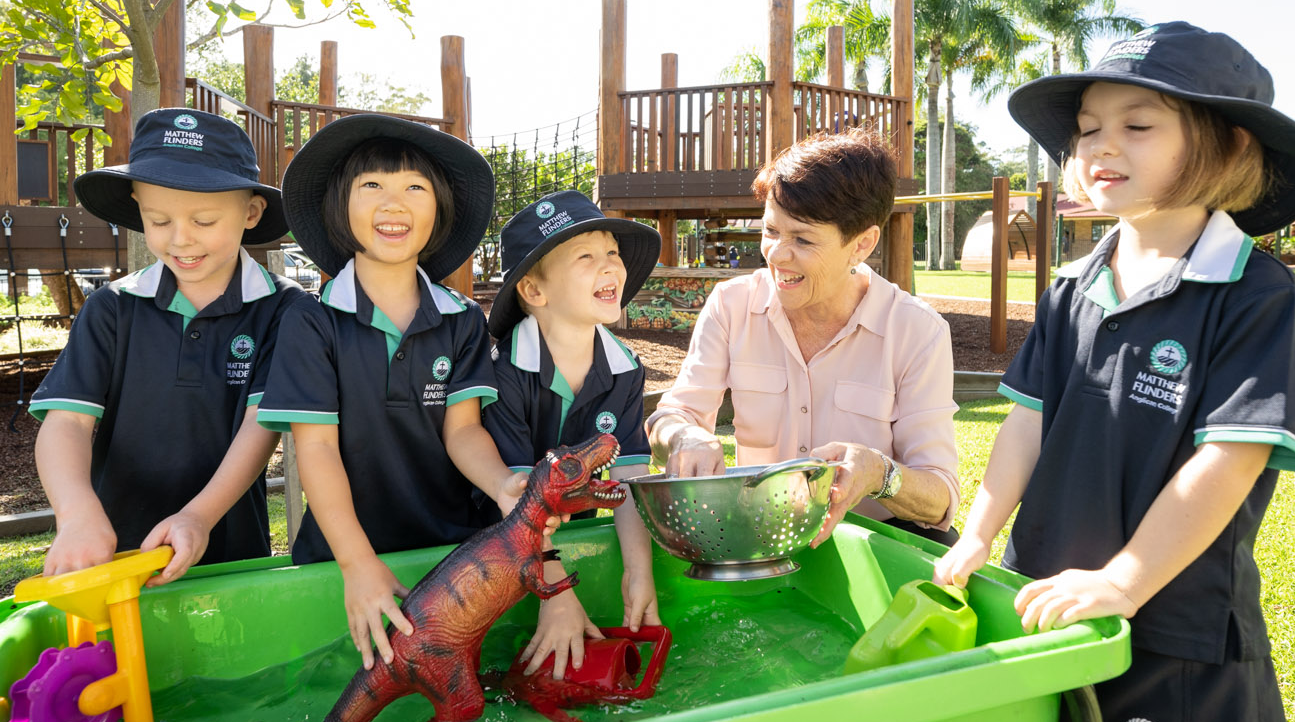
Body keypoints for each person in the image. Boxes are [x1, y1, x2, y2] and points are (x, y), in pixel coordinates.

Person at [934, 22, 1295, 722]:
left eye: (1139, 124)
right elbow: (1025, 420)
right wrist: (978, 533)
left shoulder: (1257, 295)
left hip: (1173, 607)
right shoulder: (1074, 285)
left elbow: (1227, 461)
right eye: (1087, 127)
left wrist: (1122, 581)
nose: (1102, 146)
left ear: (1225, 147)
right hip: (1041, 589)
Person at [255, 114, 519, 669]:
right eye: (371, 185)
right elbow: (317, 449)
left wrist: (503, 484)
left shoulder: (461, 319)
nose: (393, 203)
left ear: (439, 211)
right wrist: (357, 564)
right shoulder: (312, 319)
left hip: (449, 556)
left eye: (414, 188)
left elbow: (464, 431)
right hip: (340, 559)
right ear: (340, 206)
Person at [31, 107, 303, 587]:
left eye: (203, 219)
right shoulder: (112, 307)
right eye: (158, 220)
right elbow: (68, 421)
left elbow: (261, 425)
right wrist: (75, 514)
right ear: (138, 208)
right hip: (111, 556)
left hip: (231, 551)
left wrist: (198, 516)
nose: (180, 239)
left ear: (251, 212)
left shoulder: (284, 309)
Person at [647, 131, 960, 545]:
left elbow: (940, 500)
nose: (776, 254)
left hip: (875, 547)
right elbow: (669, 419)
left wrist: (879, 474)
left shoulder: (917, 331)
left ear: (862, 245)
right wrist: (684, 436)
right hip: (759, 537)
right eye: (771, 230)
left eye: (803, 239)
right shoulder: (731, 304)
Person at [482, 190, 663, 678]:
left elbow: (628, 479)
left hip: (577, 537)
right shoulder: (505, 372)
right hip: (499, 542)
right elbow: (519, 501)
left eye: (612, 254)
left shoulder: (626, 370)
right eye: (586, 256)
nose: (610, 267)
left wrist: (638, 572)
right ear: (535, 292)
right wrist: (556, 593)